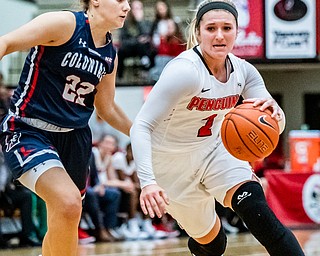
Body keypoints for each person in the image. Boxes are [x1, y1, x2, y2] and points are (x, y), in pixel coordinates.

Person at [130, 1, 305, 255]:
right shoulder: (185, 71)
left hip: (215, 150)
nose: (219, 35)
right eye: (211, 28)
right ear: (198, 32)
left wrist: (277, 116)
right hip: (170, 165)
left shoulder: (244, 71)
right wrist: (147, 182)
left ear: (237, 32)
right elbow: (141, 125)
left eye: (226, 28)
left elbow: (273, 123)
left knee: (258, 212)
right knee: (214, 244)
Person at [0, 0, 132, 255]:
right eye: (119, 0)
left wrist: (143, 133)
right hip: (29, 129)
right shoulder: (64, 24)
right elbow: (6, 42)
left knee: (66, 216)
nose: (126, 6)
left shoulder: (109, 54)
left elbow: (107, 108)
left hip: (75, 139)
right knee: (68, 203)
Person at [117, 0, 156, 79]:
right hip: (129, 48)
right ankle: (119, 77)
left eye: (139, 8)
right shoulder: (126, 23)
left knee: (147, 47)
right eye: (135, 8)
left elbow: (147, 35)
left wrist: (140, 21)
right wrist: (137, 40)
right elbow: (123, 41)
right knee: (120, 51)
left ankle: (147, 72)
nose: (136, 11)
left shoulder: (146, 22)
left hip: (142, 49)